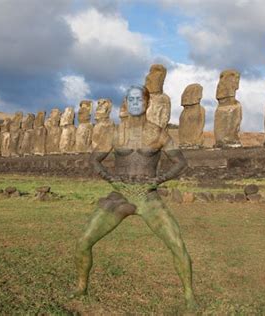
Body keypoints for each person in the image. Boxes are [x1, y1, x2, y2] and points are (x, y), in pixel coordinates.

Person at [75, 85, 197, 309]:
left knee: (177, 245)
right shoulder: (115, 133)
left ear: (147, 103)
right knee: (83, 242)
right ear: (125, 102)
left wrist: (158, 180)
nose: (134, 103)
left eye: (138, 99)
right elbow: (94, 159)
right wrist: (110, 178)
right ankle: (81, 288)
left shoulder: (158, 133)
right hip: (119, 195)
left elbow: (180, 162)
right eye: (130, 99)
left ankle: (189, 297)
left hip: (148, 196)